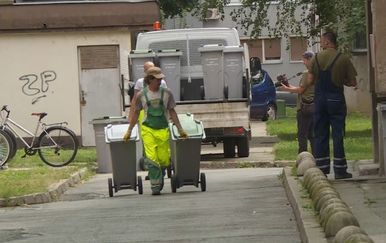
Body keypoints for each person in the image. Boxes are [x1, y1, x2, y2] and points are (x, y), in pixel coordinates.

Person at [124, 67, 188, 195]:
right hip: (148, 130)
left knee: (164, 160)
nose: (160, 81)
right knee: (152, 159)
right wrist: (129, 130)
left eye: (160, 79)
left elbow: (172, 112)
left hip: (163, 129)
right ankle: (155, 186)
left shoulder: (167, 93)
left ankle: (161, 172)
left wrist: (180, 129)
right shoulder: (141, 95)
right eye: (157, 79)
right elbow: (136, 113)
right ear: (150, 79)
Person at [308, 31, 357, 179]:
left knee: (320, 134)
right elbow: (353, 82)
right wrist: (342, 80)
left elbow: (310, 81)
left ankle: (322, 169)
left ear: (328, 42)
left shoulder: (315, 58)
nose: (321, 43)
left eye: (322, 41)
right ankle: (340, 170)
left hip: (320, 101)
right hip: (336, 100)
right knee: (338, 134)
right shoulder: (343, 59)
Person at [279, 51, 315, 154]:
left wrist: (285, 89)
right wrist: (288, 85)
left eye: (303, 60)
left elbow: (300, 91)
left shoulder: (307, 74)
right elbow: (301, 88)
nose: (303, 62)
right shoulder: (317, 73)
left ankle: (303, 155)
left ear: (308, 60)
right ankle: (316, 155)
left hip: (304, 108)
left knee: (302, 134)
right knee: (312, 134)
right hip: (314, 107)